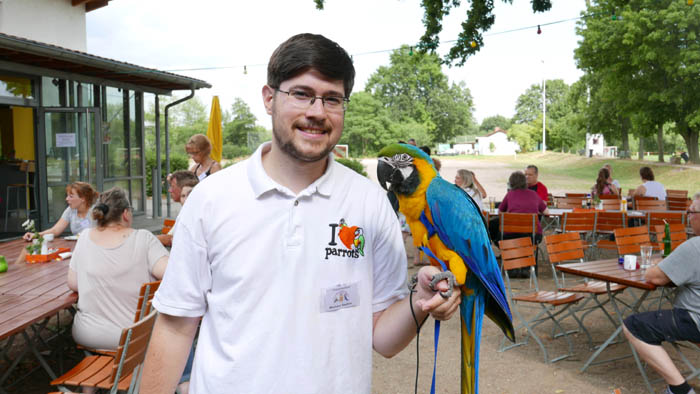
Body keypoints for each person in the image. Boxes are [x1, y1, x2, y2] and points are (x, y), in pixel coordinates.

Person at [141, 33, 460, 394]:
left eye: (332, 99)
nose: (317, 112)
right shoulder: (211, 199)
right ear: (269, 97)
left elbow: (383, 339)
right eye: (301, 93)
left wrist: (418, 304)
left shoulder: (370, 204)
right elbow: (174, 327)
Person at [67, 187, 169, 393]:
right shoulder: (143, 238)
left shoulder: (85, 238)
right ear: (125, 213)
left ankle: (91, 383)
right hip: (134, 337)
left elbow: (73, 284)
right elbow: (170, 273)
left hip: (88, 333)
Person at [622, 200, 700, 394]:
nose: (688, 216)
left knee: (634, 325)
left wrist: (657, 266)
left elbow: (653, 277)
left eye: (691, 212)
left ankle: (679, 389)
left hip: (695, 319)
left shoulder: (695, 246)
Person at [23, 182, 98, 241]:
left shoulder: (96, 210)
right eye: (67, 195)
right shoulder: (70, 210)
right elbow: (56, 230)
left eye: (71, 196)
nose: (67, 199)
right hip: (77, 246)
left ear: (83, 198)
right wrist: (36, 235)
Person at [157, 171, 199, 247]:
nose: (169, 190)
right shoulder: (186, 211)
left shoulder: (192, 213)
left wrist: (148, 239)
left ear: (183, 188)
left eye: (172, 186)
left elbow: (170, 239)